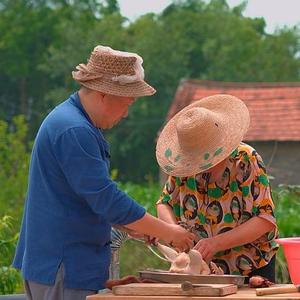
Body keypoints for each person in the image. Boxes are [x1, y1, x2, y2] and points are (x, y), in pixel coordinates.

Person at [12, 45, 195, 300]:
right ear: (103, 94)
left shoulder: (75, 123)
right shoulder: (75, 130)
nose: (126, 113)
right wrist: (169, 232)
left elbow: (85, 198)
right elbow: (105, 198)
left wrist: (135, 227)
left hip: (67, 264)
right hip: (64, 265)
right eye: (126, 103)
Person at [155, 94, 278, 281]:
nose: (200, 166)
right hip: (199, 269)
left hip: (250, 267)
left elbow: (265, 219)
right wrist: (175, 233)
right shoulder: (183, 165)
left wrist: (215, 243)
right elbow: (164, 203)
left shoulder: (246, 160)